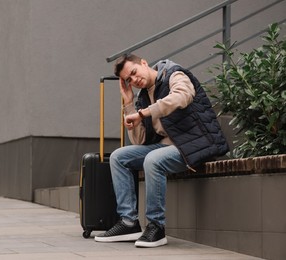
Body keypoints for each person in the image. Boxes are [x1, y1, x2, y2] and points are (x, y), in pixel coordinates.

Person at [94, 54, 229, 248]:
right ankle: (129, 222)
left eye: (134, 72)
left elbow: (182, 96)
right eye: (129, 80)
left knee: (153, 160)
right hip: (167, 147)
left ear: (143, 63)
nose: (134, 80)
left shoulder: (174, 74)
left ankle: (156, 227)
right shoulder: (142, 97)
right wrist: (129, 103)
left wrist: (144, 113)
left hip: (196, 143)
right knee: (119, 156)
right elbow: (140, 140)